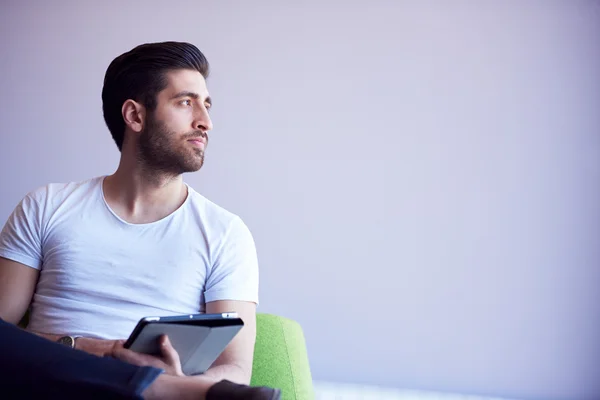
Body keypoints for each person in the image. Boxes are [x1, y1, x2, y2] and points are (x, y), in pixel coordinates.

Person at [0, 41, 279, 399]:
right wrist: (83, 348)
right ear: (135, 116)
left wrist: (177, 375)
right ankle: (155, 388)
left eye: (206, 105)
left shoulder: (225, 233)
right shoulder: (46, 206)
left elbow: (236, 373)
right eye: (185, 102)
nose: (205, 122)